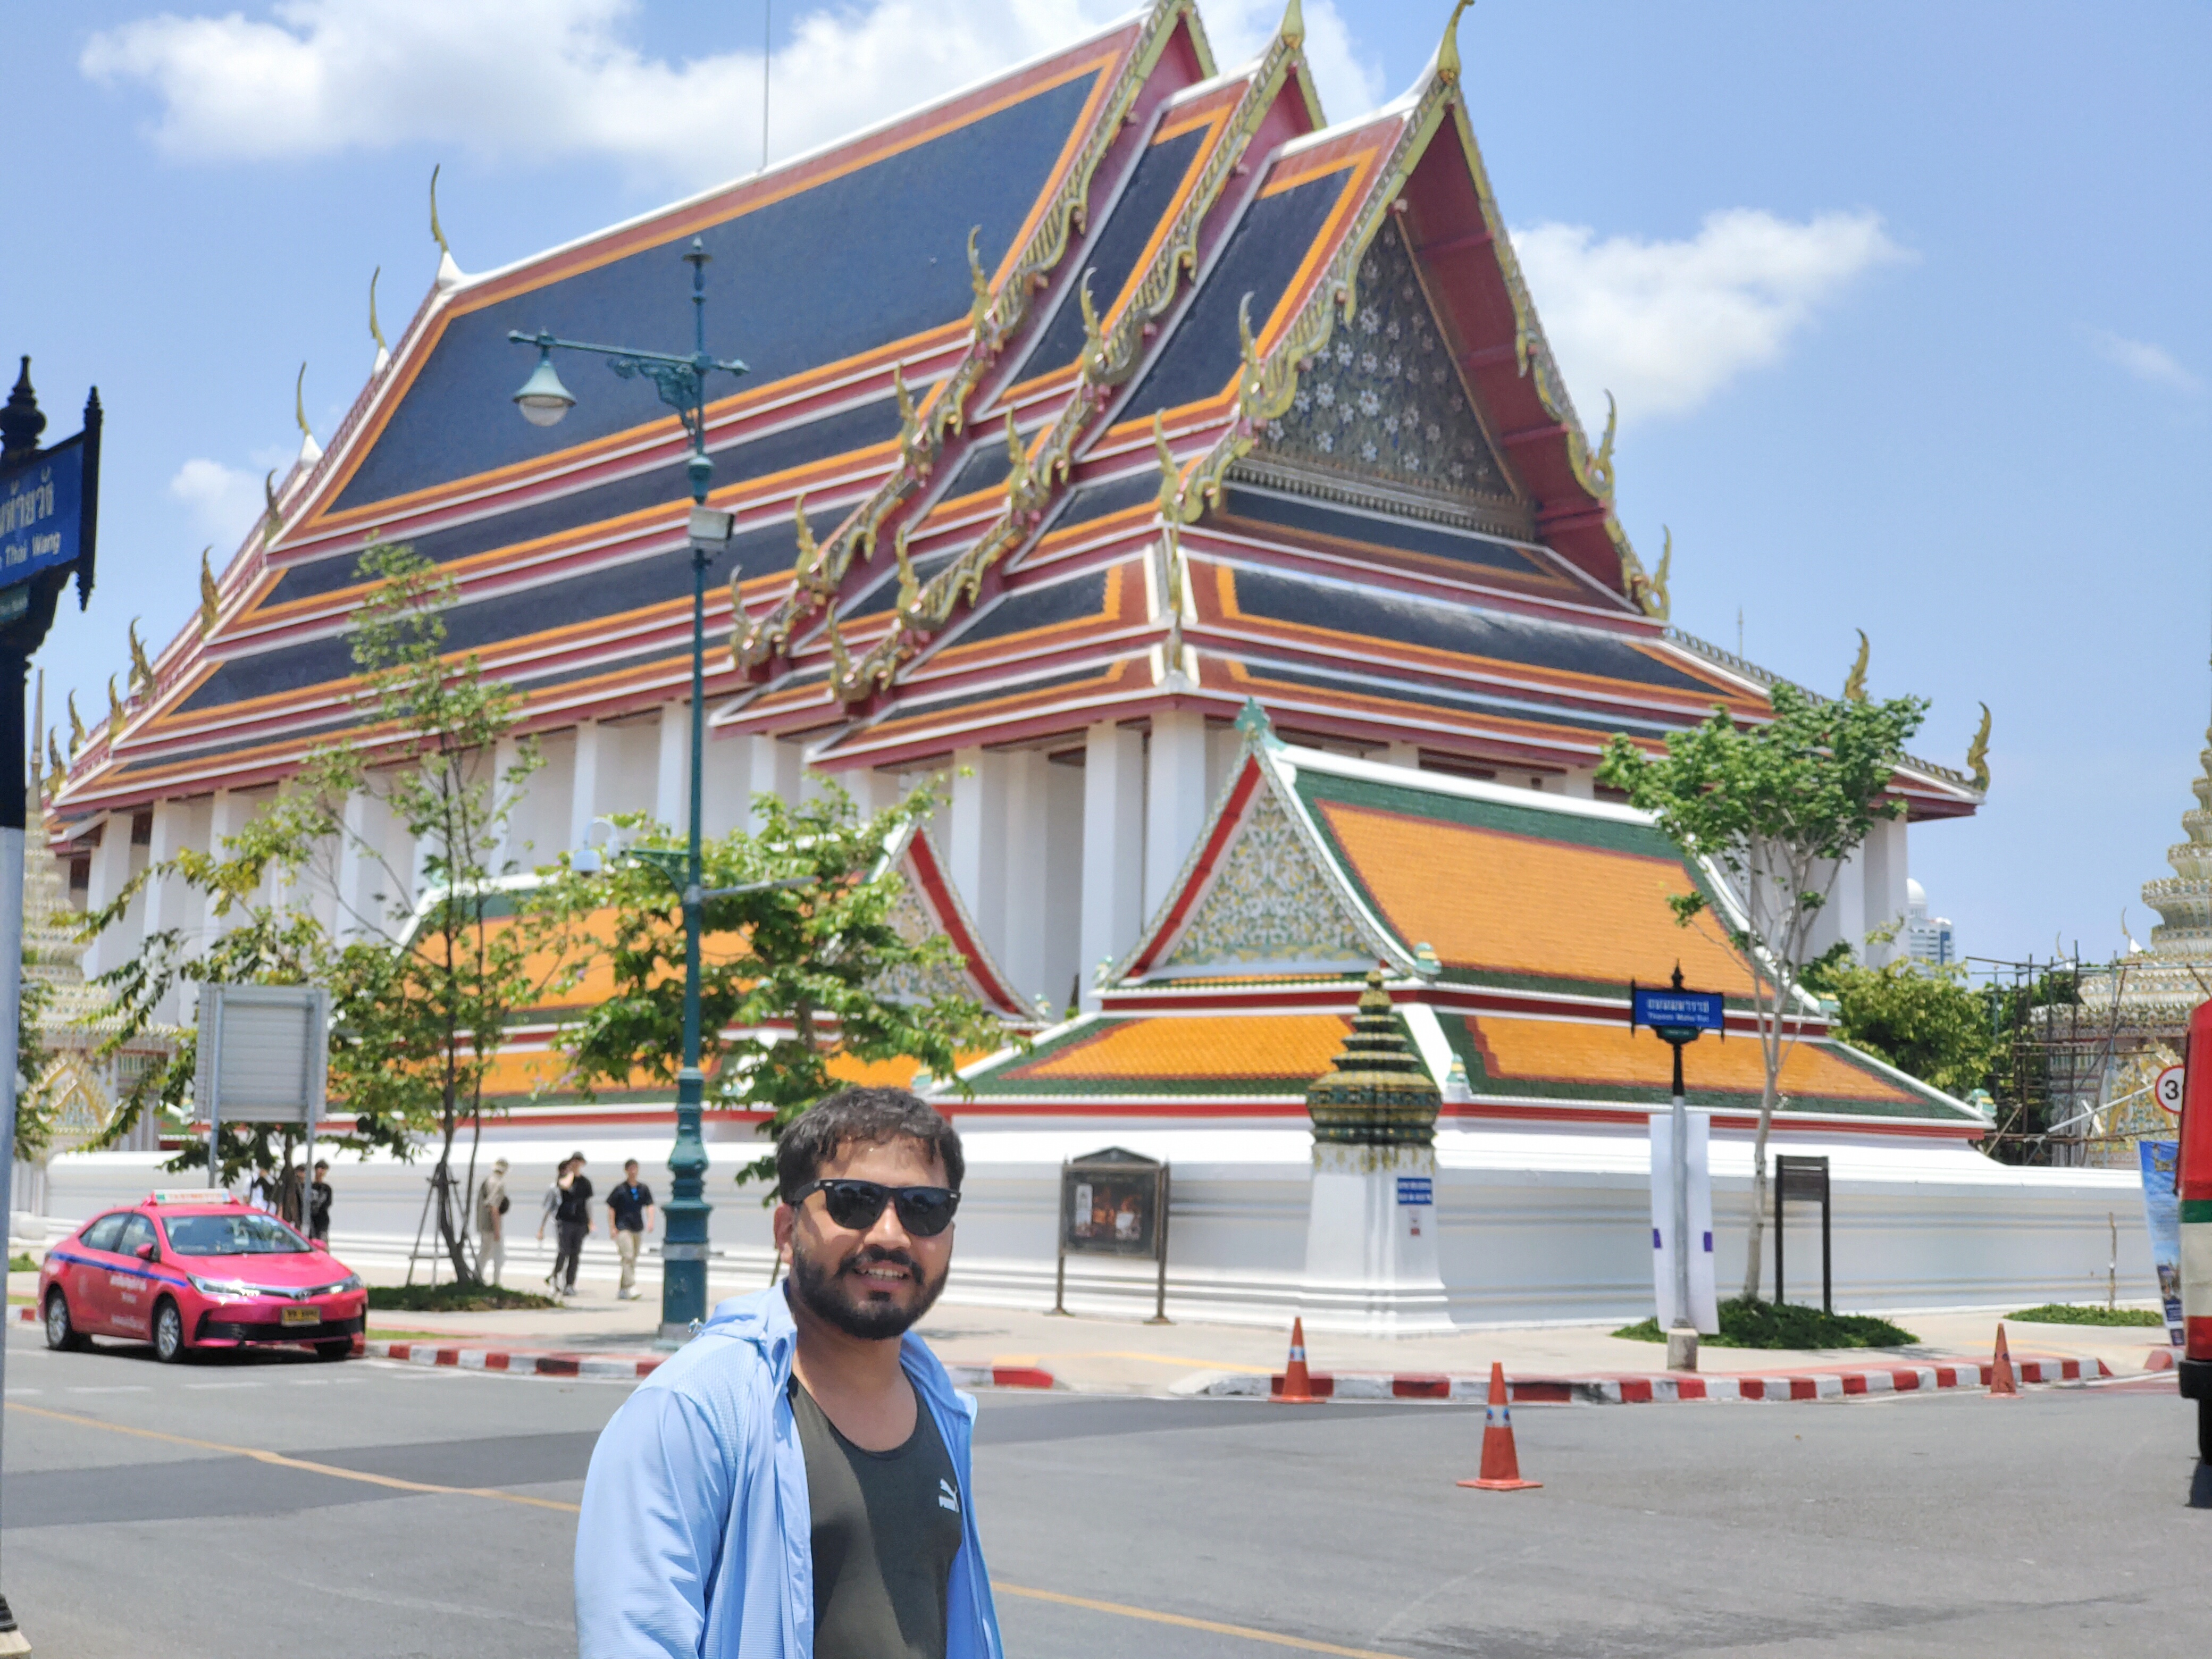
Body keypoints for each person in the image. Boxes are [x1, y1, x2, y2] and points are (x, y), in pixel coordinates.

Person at [575, 1086, 1001, 1659]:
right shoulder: (695, 1408)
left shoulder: (942, 1407)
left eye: (924, 1207)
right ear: (786, 1229)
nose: (891, 1235)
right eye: (854, 1202)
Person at [606, 1159, 656, 1302]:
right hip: (623, 1227)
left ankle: (623, 1289)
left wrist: (651, 1221)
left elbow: (650, 1205)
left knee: (632, 1258)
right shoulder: (620, 1189)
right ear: (627, 1170)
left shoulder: (643, 1189)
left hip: (637, 1227)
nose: (634, 1171)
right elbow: (611, 1208)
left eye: (636, 1168)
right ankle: (630, 1286)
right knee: (627, 1256)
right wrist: (612, 1227)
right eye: (631, 1169)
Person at [553, 1152, 593, 1297]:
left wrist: (591, 1222)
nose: (577, 1165)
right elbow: (565, 1186)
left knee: (575, 1254)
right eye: (574, 1162)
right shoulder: (564, 1178)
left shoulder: (586, 1183)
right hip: (566, 1221)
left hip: (580, 1221)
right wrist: (571, 1174)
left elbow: (588, 1203)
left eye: (579, 1162)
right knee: (564, 1250)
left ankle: (570, 1284)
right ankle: (556, 1275)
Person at [538, 1156, 574, 1285]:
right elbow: (548, 1210)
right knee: (563, 1250)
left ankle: (559, 1277)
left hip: (572, 1223)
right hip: (559, 1223)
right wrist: (541, 1229)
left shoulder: (574, 1188)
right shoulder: (554, 1189)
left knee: (571, 1252)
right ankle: (555, 1275)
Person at [477, 1158, 511, 1286]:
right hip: (491, 1225)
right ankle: (495, 1281)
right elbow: (494, 1208)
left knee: (485, 1252)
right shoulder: (498, 1183)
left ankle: (478, 1276)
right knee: (497, 1254)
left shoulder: (488, 1180)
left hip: (484, 1223)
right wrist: (497, 1230)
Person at [309, 1161, 332, 1243]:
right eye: (320, 1169)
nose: (321, 1172)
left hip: (322, 1222)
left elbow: (328, 1203)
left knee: (322, 1243)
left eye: (324, 1169)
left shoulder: (327, 1188)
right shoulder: (309, 1186)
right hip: (310, 1221)